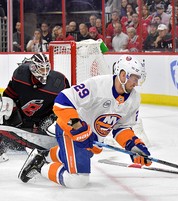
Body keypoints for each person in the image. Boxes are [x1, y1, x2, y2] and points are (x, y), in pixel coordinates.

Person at [18, 55, 152, 188]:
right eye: (134, 78)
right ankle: (39, 167)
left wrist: (133, 145)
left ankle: (44, 155)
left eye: (138, 79)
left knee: (86, 153)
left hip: (91, 139)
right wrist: (78, 127)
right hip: (70, 130)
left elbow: (121, 127)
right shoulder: (98, 85)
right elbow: (63, 100)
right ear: (123, 75)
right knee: (77, 180)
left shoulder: (134, 99)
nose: (136, 83)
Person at [0, 53, 70, 162]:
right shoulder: (21, 75)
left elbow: (65, 106)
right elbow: (9, 94)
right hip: (20, 118)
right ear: (32, 67)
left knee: (55, 123)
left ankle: (52, 145)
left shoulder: (58, 82)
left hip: (43, 120)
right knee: (4, 103)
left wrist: (53, 118)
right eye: (41, 69)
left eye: (46, 68)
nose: (45, 72)